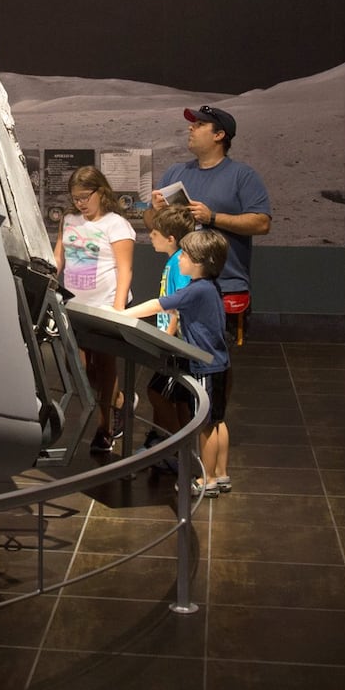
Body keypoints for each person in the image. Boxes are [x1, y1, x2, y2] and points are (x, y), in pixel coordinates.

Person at [151, 105, 271, 333]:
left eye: (199, 125)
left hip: (224, 286)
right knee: (177, 356)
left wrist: (212, 217)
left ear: (219, 135)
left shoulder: (242, 176)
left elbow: (262, 223)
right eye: (192, 124)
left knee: (215, 358)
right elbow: (152, 224)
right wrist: (155, 211)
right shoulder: (175, 172)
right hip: (179, 282)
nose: (191, 128)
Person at [54, 165, 134, 454]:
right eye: (75, 198)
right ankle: (121, 402)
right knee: (77, 367)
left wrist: (118, 309)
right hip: (75, 306)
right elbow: (58, 258)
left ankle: (105, 429)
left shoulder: (116, 224)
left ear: (101, 191)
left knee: (105, 367)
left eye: (85, 196)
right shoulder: (70, 220)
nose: (80, 203)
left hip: (106, 306)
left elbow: (125, 270)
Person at [159, 228, 233, 495]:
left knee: (205, 425)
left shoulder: (196, 290)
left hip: (204, 366)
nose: (179, 259)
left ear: (199, 262)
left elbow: (161, 304)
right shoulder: (210, 287)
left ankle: (207, 479)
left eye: (185, 255)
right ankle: (221, 474)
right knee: (218, 420)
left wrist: (123, 312)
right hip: (220, 364)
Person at [122, 203, 197, 464]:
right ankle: (175, 445)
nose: (150, 236)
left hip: (176, 344)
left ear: (170, 238)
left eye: (153, 233)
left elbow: (179, 302)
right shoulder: (174, 261)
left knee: (159, 393)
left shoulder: (180, 262)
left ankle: (176, 445)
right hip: (171, 340)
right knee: (175, 397)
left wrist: (168, 336)